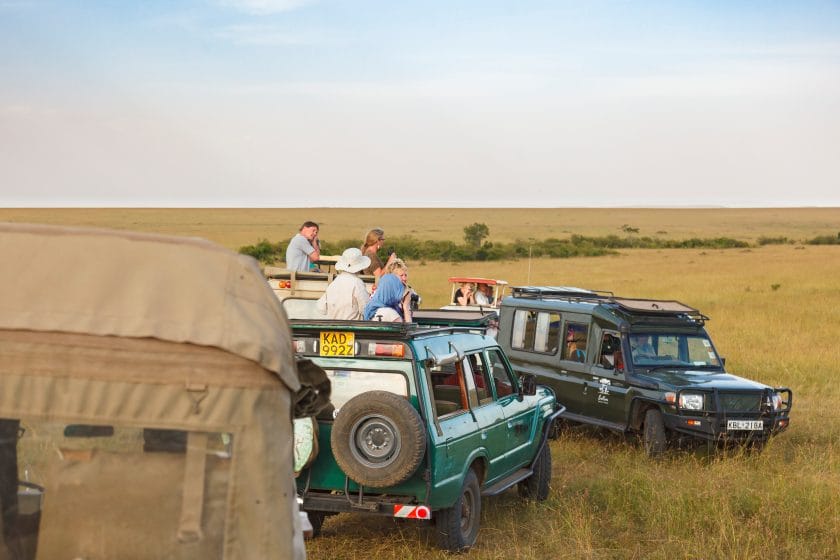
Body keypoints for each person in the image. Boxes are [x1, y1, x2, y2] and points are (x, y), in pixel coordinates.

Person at [315, 248, 371, 320]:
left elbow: (321, 308)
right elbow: (366, 309)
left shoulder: (334, 283)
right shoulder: (358, 283)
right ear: (360, 267)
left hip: (333, 326)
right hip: (353, 328)